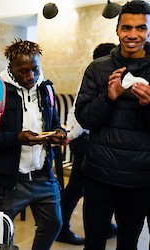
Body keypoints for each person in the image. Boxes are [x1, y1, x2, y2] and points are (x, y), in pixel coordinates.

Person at [0, 39, 66, 250]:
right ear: (11, 67)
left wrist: (59, 133)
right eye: (23, 71)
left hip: (44, 176)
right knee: (2, 233)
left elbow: (54, 123)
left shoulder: (46, 89)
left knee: (53, 224)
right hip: (10, 181)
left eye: (34, 69)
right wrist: (17, 138)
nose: (30, 76)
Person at [75, 1, 150, 249]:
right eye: (126, 28)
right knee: (94, 242)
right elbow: (84, 117)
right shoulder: (98, 68)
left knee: (128, 243)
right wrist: (108, 97)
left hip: (139, 177)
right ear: (117, 30)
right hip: (99, 175)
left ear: (148, 30)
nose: (133, 35)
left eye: (140, 28)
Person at [56, 43, 118, 245]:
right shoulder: (95, 79)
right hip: (85, 142)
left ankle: (106, 226)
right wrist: (71, 136)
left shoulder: (104, 78)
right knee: (77, 188)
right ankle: (61, 229)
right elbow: (80, 113)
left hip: (91, 141)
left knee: (99, 188)